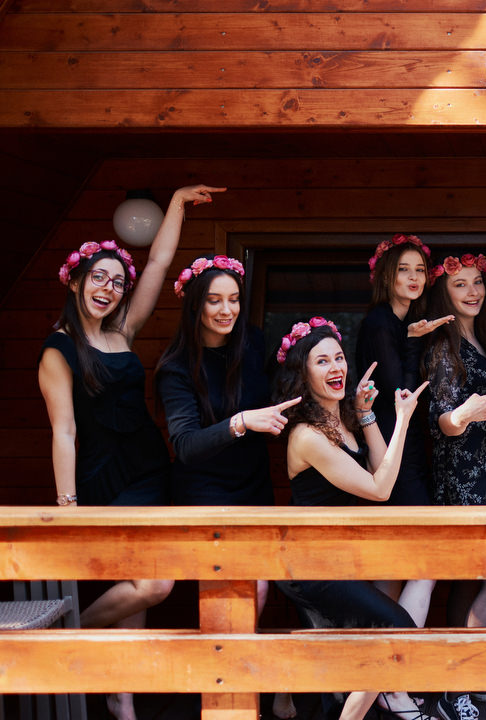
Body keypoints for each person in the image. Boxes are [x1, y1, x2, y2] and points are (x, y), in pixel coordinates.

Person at [37, 184, 224, 720]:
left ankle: (122, 699)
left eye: (118, 282)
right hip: (103, 477)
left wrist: (177, 205)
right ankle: (65, 632)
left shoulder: (123, 330)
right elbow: (64, 431)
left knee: (140, 585)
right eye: (99, 278)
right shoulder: (58, 349)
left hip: (149, 469)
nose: (110, 289)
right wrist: (67, 507)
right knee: (153, 584)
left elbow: (159, 263)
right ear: (76, 281)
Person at [155, 253, 298, 719]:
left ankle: (243, 689)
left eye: (234, 299)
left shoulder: (252, 342)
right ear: (195, 304)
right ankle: (228, 697)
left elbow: (281, 390)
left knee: (261, 591)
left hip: (253, 486)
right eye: (214, 300)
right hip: (205, 493)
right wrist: (240, 422)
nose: (226, 310)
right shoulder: (176, 367)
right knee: (244, 593)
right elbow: (185, 445)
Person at [272, 317, 433, 720]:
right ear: (303, 374)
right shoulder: (308, 435)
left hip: (341, 560)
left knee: (349, 665)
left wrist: (366, 414)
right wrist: (404, 419)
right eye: (322, 361)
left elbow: (380, 472)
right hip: (311, 566)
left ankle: (329, 703)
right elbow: (379, 489)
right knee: (397, 628)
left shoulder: (341, 422)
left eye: (339, 357)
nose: (335, 367)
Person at [422, 253, 486, 720]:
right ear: (444, 293)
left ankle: (460, 678)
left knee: (478, 578)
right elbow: (442, 419)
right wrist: (464, 416)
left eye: (477, 282)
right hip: (462, 475)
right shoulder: (443, 346)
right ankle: (454, 683)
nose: (473, 291)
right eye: (460, 284)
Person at [356, 233, 451, 624]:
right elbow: (401, 396)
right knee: (422, 560)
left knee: (396, 561)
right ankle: (397, 648)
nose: (414, 278)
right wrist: (413, 342)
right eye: (403, 270)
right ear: (387, 276)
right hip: (390, 450)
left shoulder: (400, 321)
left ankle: (383, 651)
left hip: (403, 449)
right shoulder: (381, 323)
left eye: (420, 270)